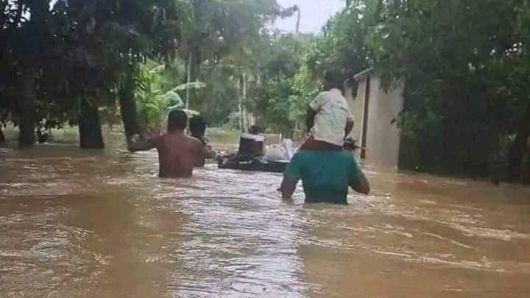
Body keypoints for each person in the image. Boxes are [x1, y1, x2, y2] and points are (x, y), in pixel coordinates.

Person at [127, 109, 205, 178]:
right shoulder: (196, 143)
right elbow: (200, 165)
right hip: (187, 184)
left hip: (165, 183)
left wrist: (133, 138)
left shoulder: (161, 140)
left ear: (169, 122)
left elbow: (132, 147)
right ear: (185, 124)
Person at [280, 148, 370, 204]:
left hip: (311, 215)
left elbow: (286, 192)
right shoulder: (347, 158)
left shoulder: (301, 156)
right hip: (340, 218)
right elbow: (364, 189)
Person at [302, 70, 354, 150]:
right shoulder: (344, 101)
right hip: (337, 145)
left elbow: (310, 111)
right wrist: (343, 136)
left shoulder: (323, 96)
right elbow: (351, 121)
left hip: (319, 140)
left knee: (301, 153)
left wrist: (309, 128)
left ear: (329, 83)